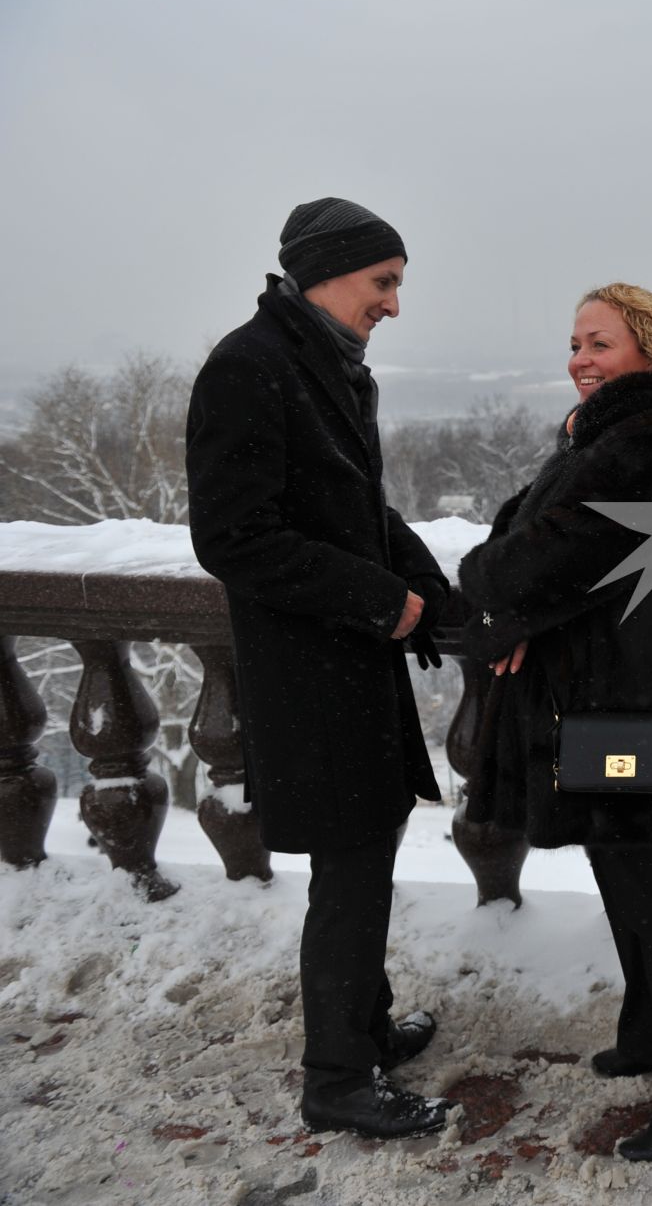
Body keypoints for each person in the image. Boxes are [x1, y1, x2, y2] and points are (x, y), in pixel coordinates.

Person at [457, 283, 652, 1163]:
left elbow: (521, 562)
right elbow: (543, 537)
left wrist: (498, 596)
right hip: (642, 700)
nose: (581, 359)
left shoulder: (645, 439)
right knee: (635, 883)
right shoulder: (628, 433)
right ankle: (651, 1033)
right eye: (575, 343)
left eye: (599, 343)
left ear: (651, 351)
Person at [186, 198, 450, 1139]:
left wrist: (427, 587)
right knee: (348, 872)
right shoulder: (248, 366)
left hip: (348, 661)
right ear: (328, 272)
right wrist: (379, 599)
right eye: (383, 282)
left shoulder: (328, 363)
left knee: (364, 853)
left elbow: (359, 508)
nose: (391, 304)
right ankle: (337, 1076)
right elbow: (233, 536)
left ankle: (366, 1028)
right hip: (307, 667)